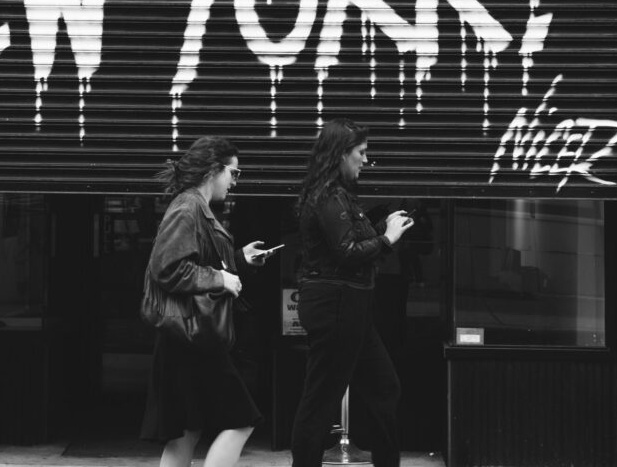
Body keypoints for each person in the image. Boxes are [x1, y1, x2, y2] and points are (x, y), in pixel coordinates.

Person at [140, 136, 273, 467]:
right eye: (234, 173)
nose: (235, 181)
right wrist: (220, 279)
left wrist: (239, 260)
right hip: (194, 336)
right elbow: (167, 268)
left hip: (185, 337)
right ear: (214, 170)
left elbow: (198, 260)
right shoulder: (188, 208)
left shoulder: (195, 207)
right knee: (242, 421)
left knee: (187, 431)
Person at [290, 119, 414, 467]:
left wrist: (385, 228)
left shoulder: (338, 195)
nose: (365, 160)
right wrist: (387, 239)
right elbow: (347, 252)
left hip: (351, 306)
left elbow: (351, 245)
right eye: (361, 152)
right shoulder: (328, 196)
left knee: (384, 387)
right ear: (341, 154)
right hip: (336, 305)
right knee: (321, 399)